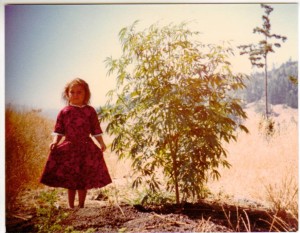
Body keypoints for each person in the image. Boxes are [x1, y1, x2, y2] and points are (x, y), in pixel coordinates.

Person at [40, 78, 112, 208]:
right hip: (70, 149)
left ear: (86, 94)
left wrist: (101, 143)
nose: (75, 95)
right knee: (71, 179)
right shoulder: (64, 112)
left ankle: (82, 206)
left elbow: (95, 129)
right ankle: (71, 206)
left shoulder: (90, 111)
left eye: (79, 92)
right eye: (72, 92)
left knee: (82, 178)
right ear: (67, 94)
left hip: (86, 148)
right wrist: (55, 142)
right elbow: (59, 130)